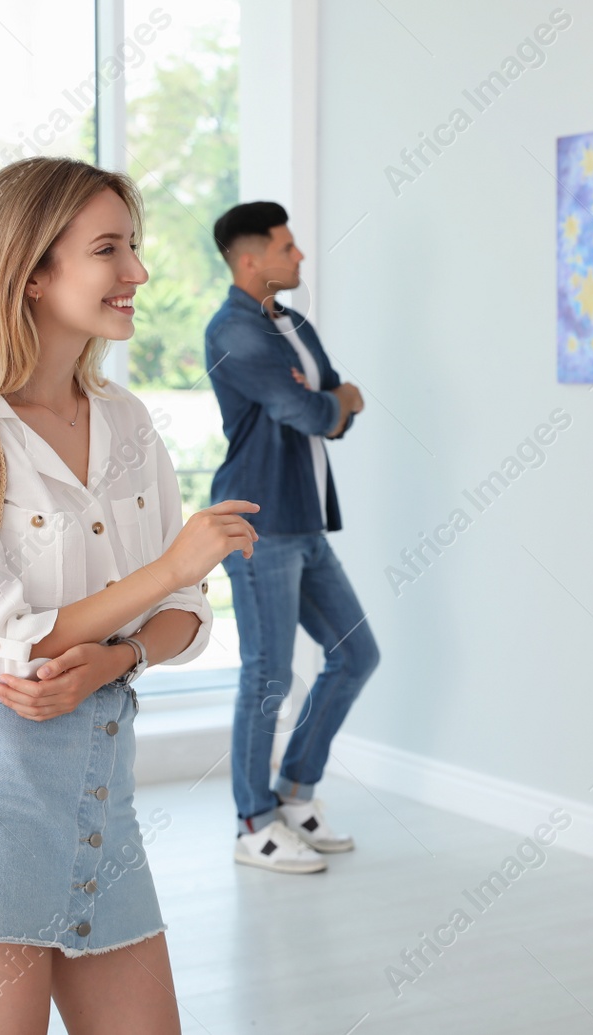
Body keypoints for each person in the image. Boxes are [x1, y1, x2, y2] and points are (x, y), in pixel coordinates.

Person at [0, 156, 260, 1034]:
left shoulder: (128, 420)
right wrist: (166, 570)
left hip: (103, 791)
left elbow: (189, 618)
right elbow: (2, 653)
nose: (136, 272)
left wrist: (121, 656)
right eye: (108, 249)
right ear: (30, 271)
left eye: (133, 247)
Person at [204, 201, 381, 874]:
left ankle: (296, 791)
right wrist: (335, 403)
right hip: (257, 523)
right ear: (251, 259)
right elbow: (313, 407)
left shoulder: (294, 323)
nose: (300, 255)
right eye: (287, 246)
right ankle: (254, 821)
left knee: (356, 653)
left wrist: (332, 403)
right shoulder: (234, 331)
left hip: (305, 520)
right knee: (268, 676)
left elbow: (326, 401)